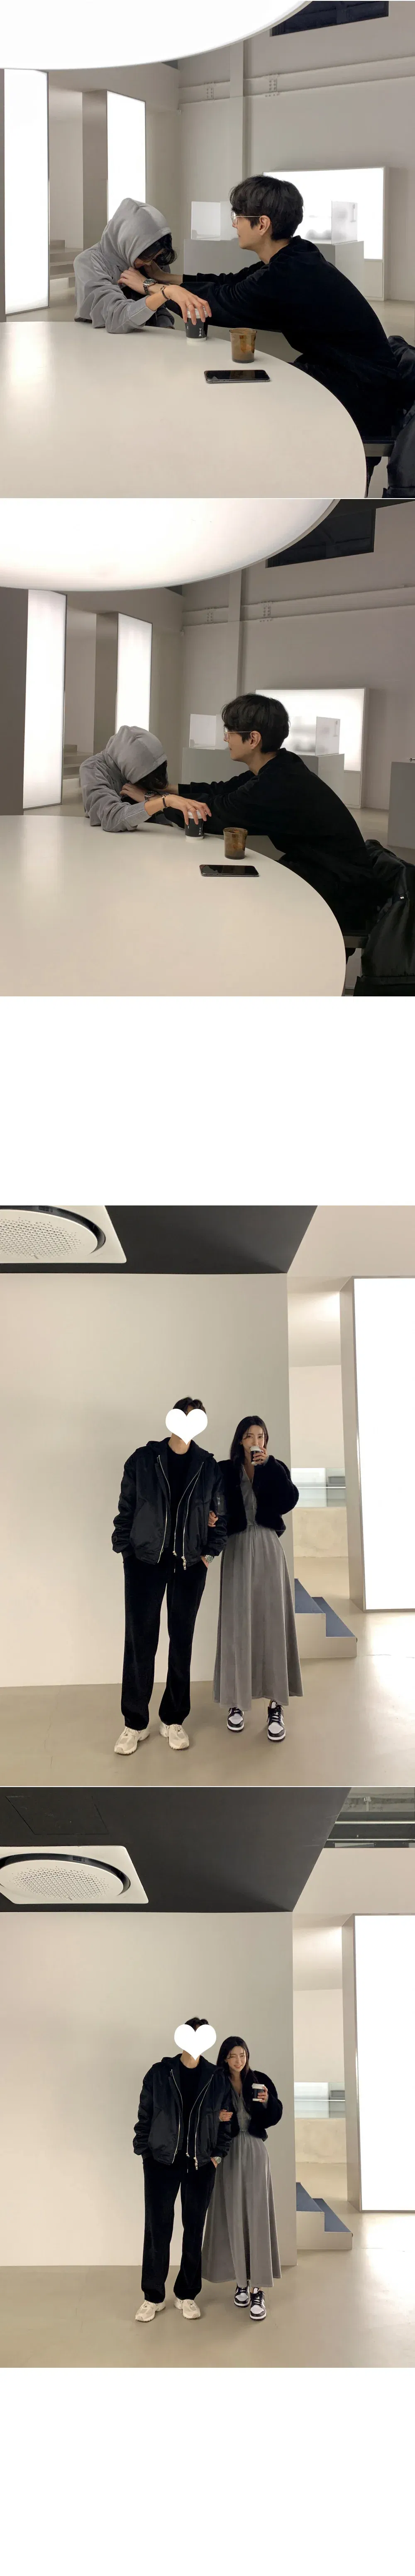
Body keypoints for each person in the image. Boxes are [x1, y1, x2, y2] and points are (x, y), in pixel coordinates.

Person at [178, 173, 407, 445]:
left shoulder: (287, 273)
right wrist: (164, 279)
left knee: (246, 390)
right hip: (351, 372)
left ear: (262, 224)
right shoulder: (296, 254)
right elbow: (228, 282)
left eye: (238, 217)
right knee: (254, 380)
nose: (234, 224)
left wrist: (152, 290)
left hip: (362, 389)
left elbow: (220, 302)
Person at [183, 694, 401, 947]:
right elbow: (220, 790)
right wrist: (167, 790)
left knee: (238, 905)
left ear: (253, 739)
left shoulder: (277, 784)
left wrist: (160, 803)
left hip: (339, 889)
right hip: (321, 869)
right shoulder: (280, 766)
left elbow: (216, 813)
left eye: (230, 732)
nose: (226, 739)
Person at [112, 1398, 226, 1753]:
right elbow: (126, 1509)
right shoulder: (144, 1460)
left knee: (182, 1642)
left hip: (190, 1566)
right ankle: (135, 1723)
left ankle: (173, 1719)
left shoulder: (208, 1467)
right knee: (140, 1642)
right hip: (145, 1562)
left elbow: (219, 1518)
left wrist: (209, 1554)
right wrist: (127, 1551)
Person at [134, 2015, 232, 2323]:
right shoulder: (160, 2073)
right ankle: (153, 2297)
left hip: (201, 2165)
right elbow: (145, 2115)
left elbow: (226, 2122)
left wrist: (217, 2156)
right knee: (157, 2230)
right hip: (161, 2163)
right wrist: (146, 2152)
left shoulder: (217, 2078)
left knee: (194, 2230)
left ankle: (187, 2294)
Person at [214, 1414, 303, 1741]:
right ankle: (236, 1702)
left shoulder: (275, 1469)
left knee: (272, 1622)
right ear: (241, 1440)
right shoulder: (225, 1470)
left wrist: (271, 1467)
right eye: (250, 1436)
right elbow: (214, 1505)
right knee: (237, 1625)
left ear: (266, 1441)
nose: (256, 1441)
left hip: (267, 1547)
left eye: (261, 1436)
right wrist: (212, 1519)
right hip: (237, 1549)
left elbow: (289, 1501)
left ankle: (275, 1704)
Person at [202, 2033, 282, 2322]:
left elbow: (274, 2116)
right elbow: (202, 2116)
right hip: (227, 2153)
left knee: (258, 2217)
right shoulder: (216, 2083)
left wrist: (268, 2101)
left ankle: (258, 2288)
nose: (239, 2060)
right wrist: (217, 2118)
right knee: (233, 2216)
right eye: (234, 2056)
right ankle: (240, 2282)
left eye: (243, 2055)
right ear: (225, 2058)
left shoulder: (259, 2080)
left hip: (256, 2152)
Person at [74, 196, 210, 334]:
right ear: (126, 242)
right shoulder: (89, 263)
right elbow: (117, 318)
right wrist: (165, 292)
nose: (149, 264)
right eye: (145, 257)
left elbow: (160, 309)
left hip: (145, 340)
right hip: (100, 341)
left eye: (154, 257)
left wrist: (167, 329)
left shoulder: (153, 264)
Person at [80, 723, 210, 836]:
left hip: (148, 839)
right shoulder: (93, 769)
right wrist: (164, 801)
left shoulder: (146, 769)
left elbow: (159, 809)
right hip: (108, 843)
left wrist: (166, 827)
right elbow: (112, 818)